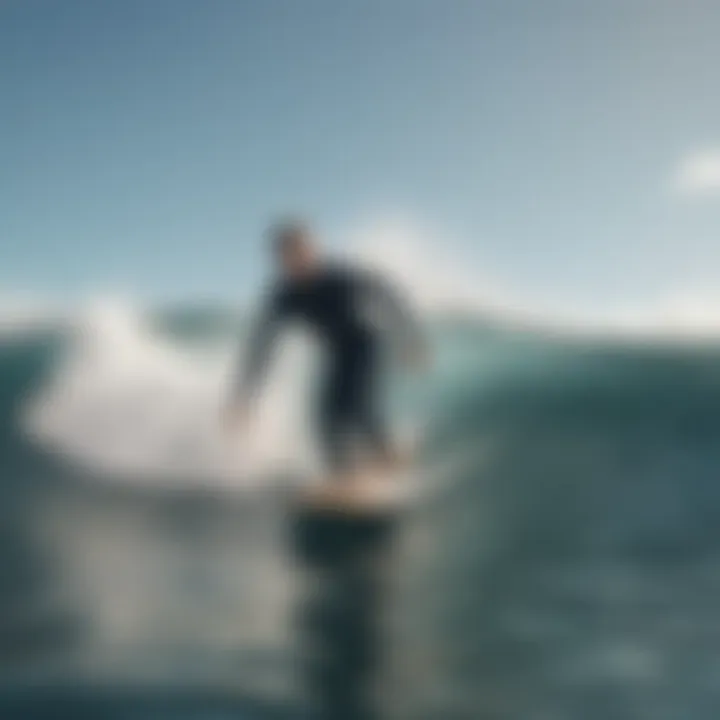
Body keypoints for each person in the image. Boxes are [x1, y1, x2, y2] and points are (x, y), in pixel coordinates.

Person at [224, 219, 428, 494]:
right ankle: (345, 475)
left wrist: (409, 339)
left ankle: (381, 457)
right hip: (336, 353)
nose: (296, 260)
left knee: (352, 405)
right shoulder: (283, 296)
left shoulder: (340, 277)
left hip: (365, 344)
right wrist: (245, 398)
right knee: (323, 416)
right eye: (287, 255)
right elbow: (261, 347)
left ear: (312, 250)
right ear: (279, 259)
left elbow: (387, 293)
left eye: (301, 251)